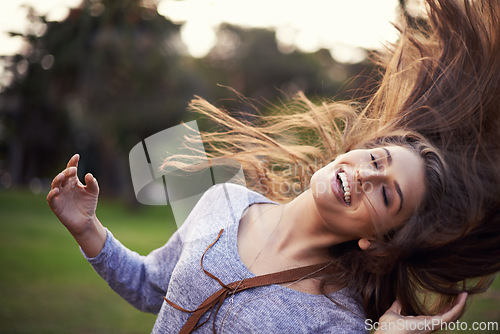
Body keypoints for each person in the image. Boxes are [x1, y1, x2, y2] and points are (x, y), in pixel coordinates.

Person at [47, 0, 500, 333]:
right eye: (377, 158)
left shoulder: (338, 318)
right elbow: (152, 288)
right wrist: (87, 229)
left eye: (387, 193)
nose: (367, 174)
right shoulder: (223, 200)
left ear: (378, 239)